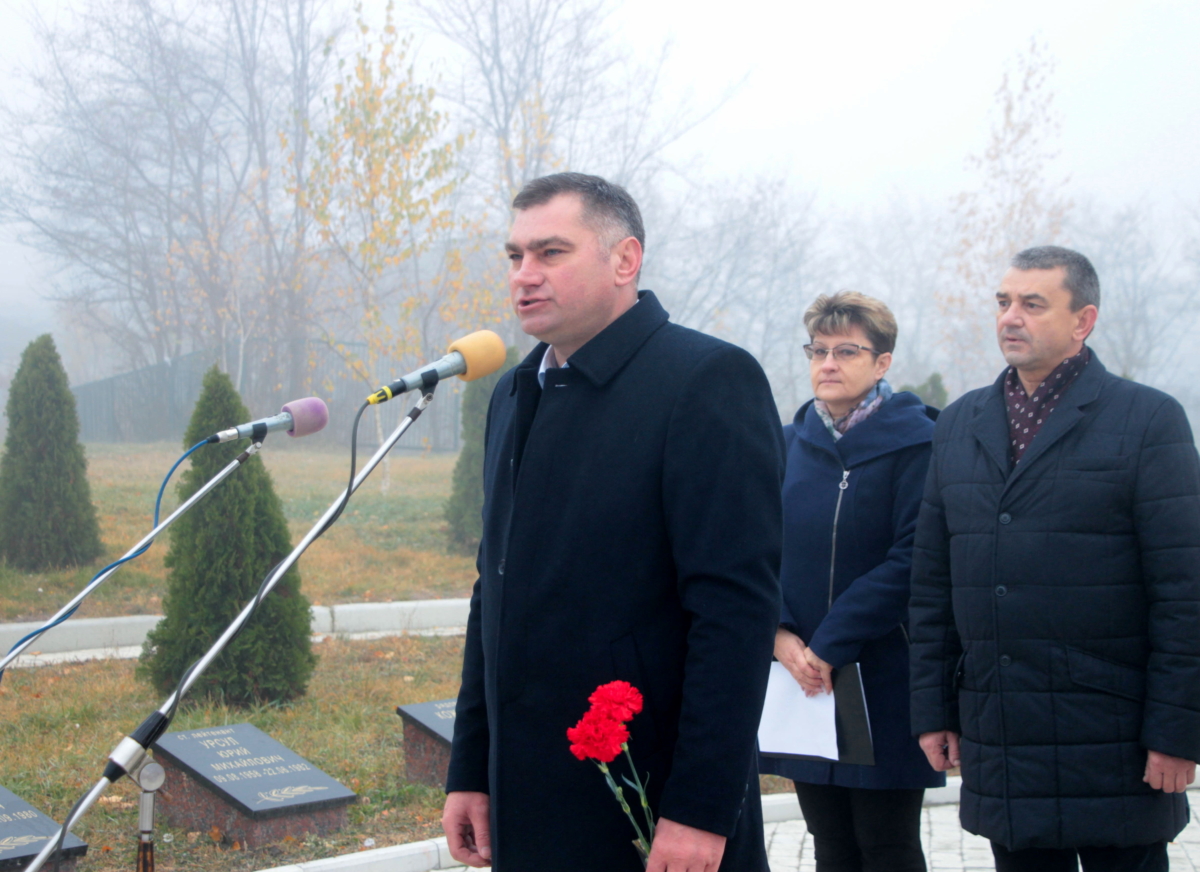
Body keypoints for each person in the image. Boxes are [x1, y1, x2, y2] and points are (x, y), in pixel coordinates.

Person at [440, 172, 785, 872]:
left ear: (625, 260)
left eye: (551, 252)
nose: (524, 275)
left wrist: (700, 807)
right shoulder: (516, 392)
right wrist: (472, 767)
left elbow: (734, 613)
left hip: (649, 803)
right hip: (528, 797)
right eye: (515, 256)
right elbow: (493, 593)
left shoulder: (705, 380)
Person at [908, 245, 1200, 871]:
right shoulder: (959, 424)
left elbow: (1185, 591)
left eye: (1033, 304)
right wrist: (934, 711)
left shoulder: (1147, 420)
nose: (1010, 317)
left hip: (1113, 735)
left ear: (1082, 320)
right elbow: (932, 584)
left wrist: (1177, 733)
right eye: (1003, 302)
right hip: (1002, 729)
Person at [762, 291, 944, 872]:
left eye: (846, 351)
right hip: (802, 678)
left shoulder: (919, 443)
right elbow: (754, 548)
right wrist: (778, 633)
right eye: (818, 350)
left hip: (882, 673)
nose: (828, 364)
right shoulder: (786, 445)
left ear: (882, 362)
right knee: (830, 842)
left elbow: (913, 556)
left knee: (886, 845)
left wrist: (831, 642)